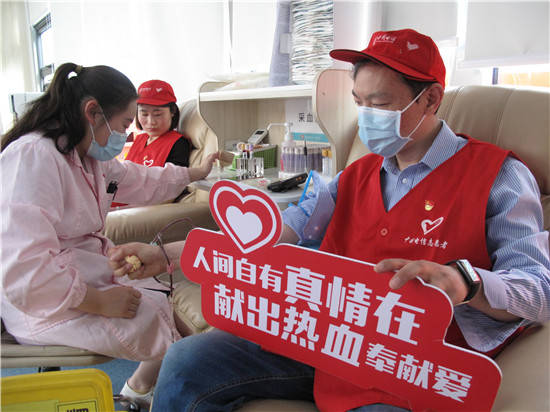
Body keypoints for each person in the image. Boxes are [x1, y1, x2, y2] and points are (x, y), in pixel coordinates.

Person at [108, 29, 550, 412]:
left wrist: (465, 282)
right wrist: (165, 254)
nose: (367, 117)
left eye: (380, 103)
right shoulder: (352, 177)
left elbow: (538, 290)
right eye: (360, 103)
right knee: (188, 361)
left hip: (412, 366)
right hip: (327, 338)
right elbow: (271, 237)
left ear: (430, 98)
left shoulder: (500, 178)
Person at [0, 63, 218, 407]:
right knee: (163, 322)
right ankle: (152, 389)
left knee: (166, 300)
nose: (123, 135)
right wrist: (98, 302)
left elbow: (140, 178)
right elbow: (24, 271)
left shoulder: (85, 154)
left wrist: (195, 173)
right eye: (124, 124)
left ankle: (139, 388)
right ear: (92, 112)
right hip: (41, 302)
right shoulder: (33, 158)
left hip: (80, 276)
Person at [125, 79, 193, 168]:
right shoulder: (139, 139)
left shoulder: (178, 143)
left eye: (158, 114)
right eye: (144, 114)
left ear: (172, 111)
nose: (151, 122)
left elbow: (175, 175)